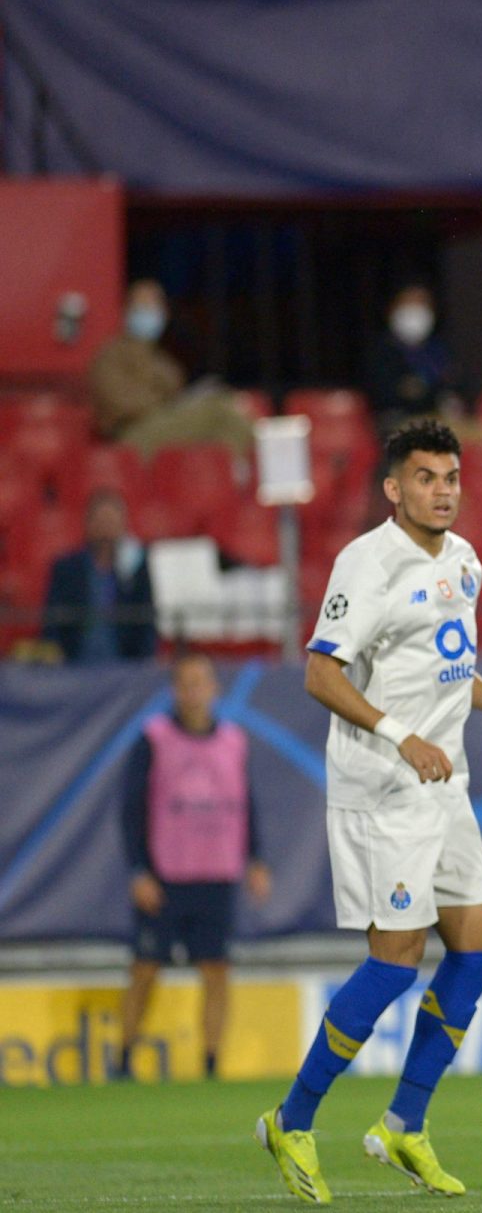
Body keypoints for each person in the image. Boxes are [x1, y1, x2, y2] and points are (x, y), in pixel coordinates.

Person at [255, 419, 482, 1205]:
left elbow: (452, 674)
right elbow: (321, 673)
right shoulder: (367, 561)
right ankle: (292, 1117)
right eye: (425, 477)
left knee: (479, 953)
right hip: (382, 790)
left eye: (451, 476)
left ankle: (403, 1124)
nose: (443, 490)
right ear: (394, 488)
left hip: (440, 786)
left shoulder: (465, 561)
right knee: (394, 961)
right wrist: (399, 735)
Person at [117, 651, 271, 1081]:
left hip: (217, 873)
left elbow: (247, 804)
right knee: (145, 969)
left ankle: (209, 1062)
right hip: (166, 875)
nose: (193, 691)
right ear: (174, 690)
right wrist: (138, 871)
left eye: (201, 682)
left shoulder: (234, 741)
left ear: (214, 689)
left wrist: (256, 859)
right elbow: (132, 809)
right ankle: (123, 1059)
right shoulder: (154, 737)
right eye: (185, 683)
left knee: (217, 970)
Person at [88, 278, 253, 459]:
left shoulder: (162, 360)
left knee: (226, 405)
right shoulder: (110, 355)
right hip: (131, 435)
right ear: (126, 311)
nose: (149, 313)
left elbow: (176, 390)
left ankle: (217, 474)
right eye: (142, 306)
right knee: (218, 409)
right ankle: (229, 472)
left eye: (154, 307)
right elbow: (120, 403)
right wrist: (163, 402)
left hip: (165, 423)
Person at [41, 488, 157, 663]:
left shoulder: (137, 567)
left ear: (123, 525)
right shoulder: (66, 568)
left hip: (125, 668)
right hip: (74, 664)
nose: (105, 529)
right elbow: (53, 620)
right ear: (87, 524)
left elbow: (146, 620)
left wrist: (142, 664)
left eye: (111, 522)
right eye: (100, 521)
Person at [367, 284, 465, 429]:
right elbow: (384, 394)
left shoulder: (439, 350)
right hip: (396, 424)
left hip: (440, 422)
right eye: (408, 305)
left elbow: (458, 384)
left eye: (421, 305)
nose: (414, 312)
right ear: (392, 310)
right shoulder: (383, 351)